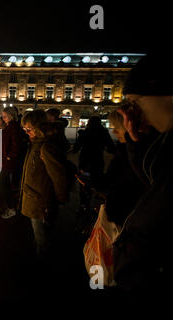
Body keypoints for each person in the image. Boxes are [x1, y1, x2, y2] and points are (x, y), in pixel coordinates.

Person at [112, 54, 173, 294]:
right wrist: (137, 143)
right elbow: (154, 183)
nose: (131, 112)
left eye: (134, 102)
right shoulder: (164, 146)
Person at [19, 110, 69, 258]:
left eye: (29, 129)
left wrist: (57, 201)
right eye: (24, 129)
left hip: (41, 201)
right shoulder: (35, 143)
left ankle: (42, 268)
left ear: (39, 127)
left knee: (42, 239)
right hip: (34, 196)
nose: (26, 132)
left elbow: (59, 177)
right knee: (38, 235)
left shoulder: (46, 147)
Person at [100, 111, 145, 227]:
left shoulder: (136, 155)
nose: (114, 131)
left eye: (117, 127)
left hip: (130, 221)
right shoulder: (124, 150)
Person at [72, 116, 115, 214]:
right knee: (96, 182)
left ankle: (84, 204)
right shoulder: (104, 133)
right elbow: (111, 148)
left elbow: (76, 148)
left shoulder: (85, 133)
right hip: (97, 161)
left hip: (85, 161)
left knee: (83, 183)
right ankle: (97, 204)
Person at [0, 107, 25, 218]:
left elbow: (16, 144)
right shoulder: (9, 126)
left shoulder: (13, 127)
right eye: (3, 116)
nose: (3, 118)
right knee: (5, 184)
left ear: (11, 115)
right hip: (5, 160)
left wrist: (10, 156)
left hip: (8, 161)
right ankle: (12, 205)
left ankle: (11, 208)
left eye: (5, 116)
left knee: (2, 183)